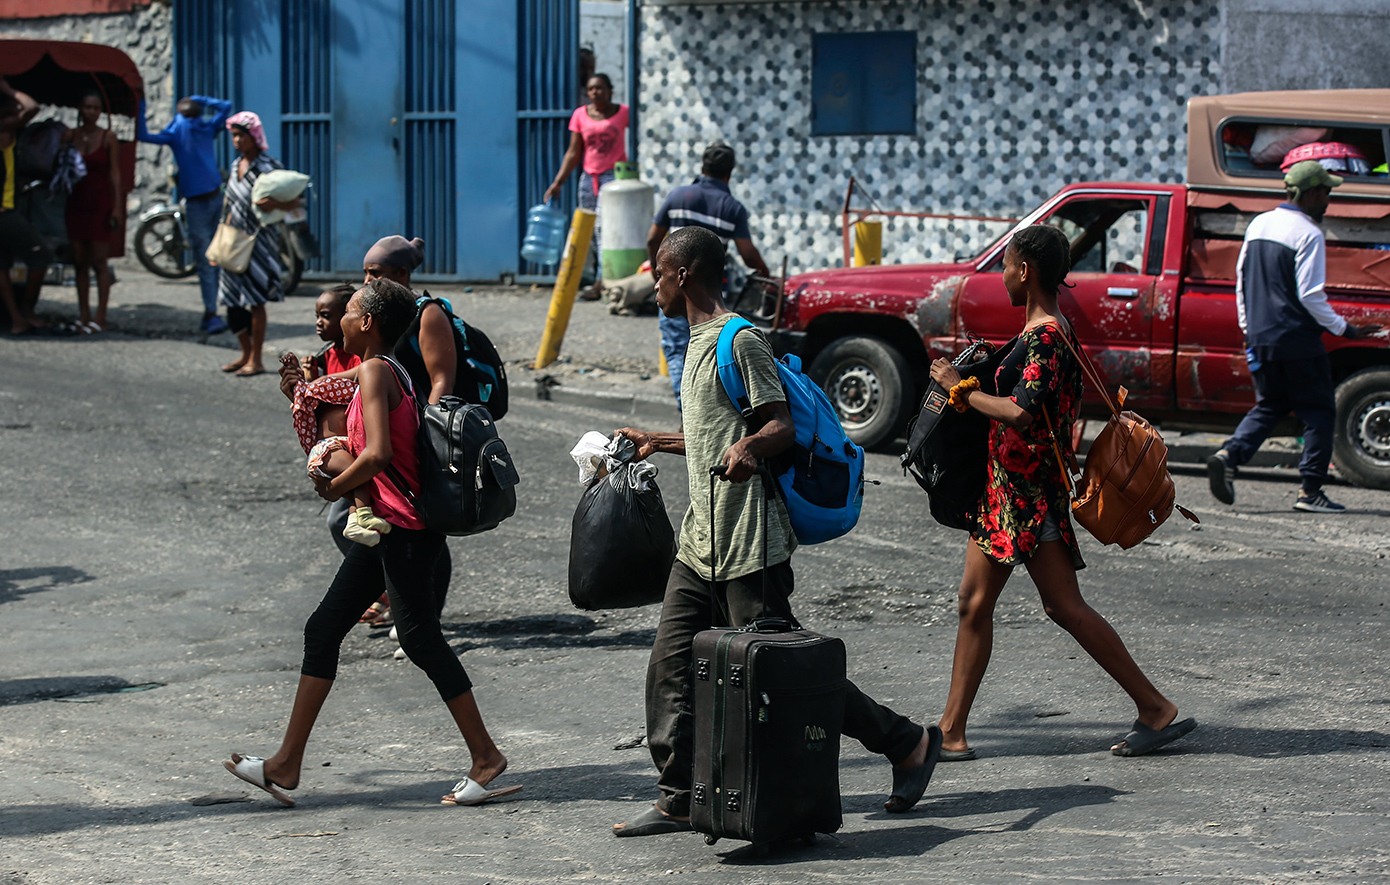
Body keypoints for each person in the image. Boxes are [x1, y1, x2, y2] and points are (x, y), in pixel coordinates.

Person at [611, 227, 941, 837]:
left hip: (750, 545)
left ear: (683, 275)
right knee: (669, 667)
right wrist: (656, 441)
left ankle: (909, 742)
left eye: (658, 269)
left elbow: (780, 427)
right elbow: (716, 435)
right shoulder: (694, 343)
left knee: (787, 674)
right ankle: (680, 794)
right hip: (700, 543)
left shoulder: (739, 343)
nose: (651, 280)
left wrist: (752, 447)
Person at [224, 278, 521, 808]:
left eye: (348, 312)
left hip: (402, 532)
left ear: (366, 323)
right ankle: (286, 764)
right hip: (390, 530)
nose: (338, 319)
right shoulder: (382, 371)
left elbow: (379, 452)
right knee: (324, 630)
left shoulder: (376, 370)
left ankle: (486, 757)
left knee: (422, 640)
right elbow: (352, 432)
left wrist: (333, 486)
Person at [927, 224, 1196, 761]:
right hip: (1009, 492)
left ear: (1025, 271)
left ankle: (1155, 707)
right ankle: (951, 730)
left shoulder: (1047, 337)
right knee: (981, 603)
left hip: (1025, 494)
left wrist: (959, 388)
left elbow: (1021, 412)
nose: (1002, 274)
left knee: (1056, 606)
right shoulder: (1042, 333)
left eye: (1006, 265)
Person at [1206, 160, 1382, 513]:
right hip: (1297, 339)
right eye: (1326, 192)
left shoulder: (1259, 224)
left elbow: (1241, 283)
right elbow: (1311, 294)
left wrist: (1248, 329)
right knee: (1318, 411)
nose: (1328, 200)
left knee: (1271, 405)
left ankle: (1229, 455)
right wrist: (1344, 329)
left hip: (1261, 336)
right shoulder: (1308, 232)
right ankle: (1310, 492)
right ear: (1312, 192)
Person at [646, 143, 770, 408]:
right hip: (708, 297)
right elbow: (748, 254)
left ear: (703, 167)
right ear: (729, 174)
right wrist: (765, 273)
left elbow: (652, 238)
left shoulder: (678, 195)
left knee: (677, 349)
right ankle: (697, 411)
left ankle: (686, 411)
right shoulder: (732, 208)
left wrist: (658, 276)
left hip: (674, 290)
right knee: (710, 353)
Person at [137, 93, 234, 334]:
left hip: (199, 203)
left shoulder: (176, 132)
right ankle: (214, 312)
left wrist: (141, 104)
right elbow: (226, 105)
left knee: (206, 261)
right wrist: (201, 99)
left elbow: (142, 135)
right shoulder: (206, 127)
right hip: (214, 197)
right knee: (218, 258)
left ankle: (212, 313)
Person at [216, 111, 297, 377]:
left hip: (259, 244)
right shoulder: (236, 165)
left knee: (255, 300)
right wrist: (219, 244)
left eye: (241, 135)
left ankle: (257, 358)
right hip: (233, 242)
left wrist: (272, 204)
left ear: (254, 136)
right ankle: (244, 353)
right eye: (234, 136)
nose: (237, 141)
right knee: (232, 302)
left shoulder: (268, 167)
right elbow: (229, 205)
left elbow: (294, 202)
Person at [543, 73, 628, 299]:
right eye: (591, 89)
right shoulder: (580, 115)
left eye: (600, 88)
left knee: (604, 229)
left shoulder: (624, 113)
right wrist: (558, 182)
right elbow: (574, 152)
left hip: (613, 177)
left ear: (610, 90)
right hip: (588, 179)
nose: (595, 93)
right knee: (587, 229)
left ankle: (602, 281)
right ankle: (588, 276)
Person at [60, 93, 121, 333]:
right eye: (87, 107)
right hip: (75, 203)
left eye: (95, 108)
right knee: (79, 262)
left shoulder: (108, 138)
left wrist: (117, 207)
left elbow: (114, 173)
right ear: (80, 108)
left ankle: (100, 316)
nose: (91, 112)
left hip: (100, 203)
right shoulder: (70, 136)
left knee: (100, 262)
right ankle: (83, 314)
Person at [0, 76, 52, 336]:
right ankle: (27, 311)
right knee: (41, 255)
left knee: (1, 267)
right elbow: (31, 108)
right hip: (4, 212)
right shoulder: (3, 130)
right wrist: (8, 88)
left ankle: (15, 318)